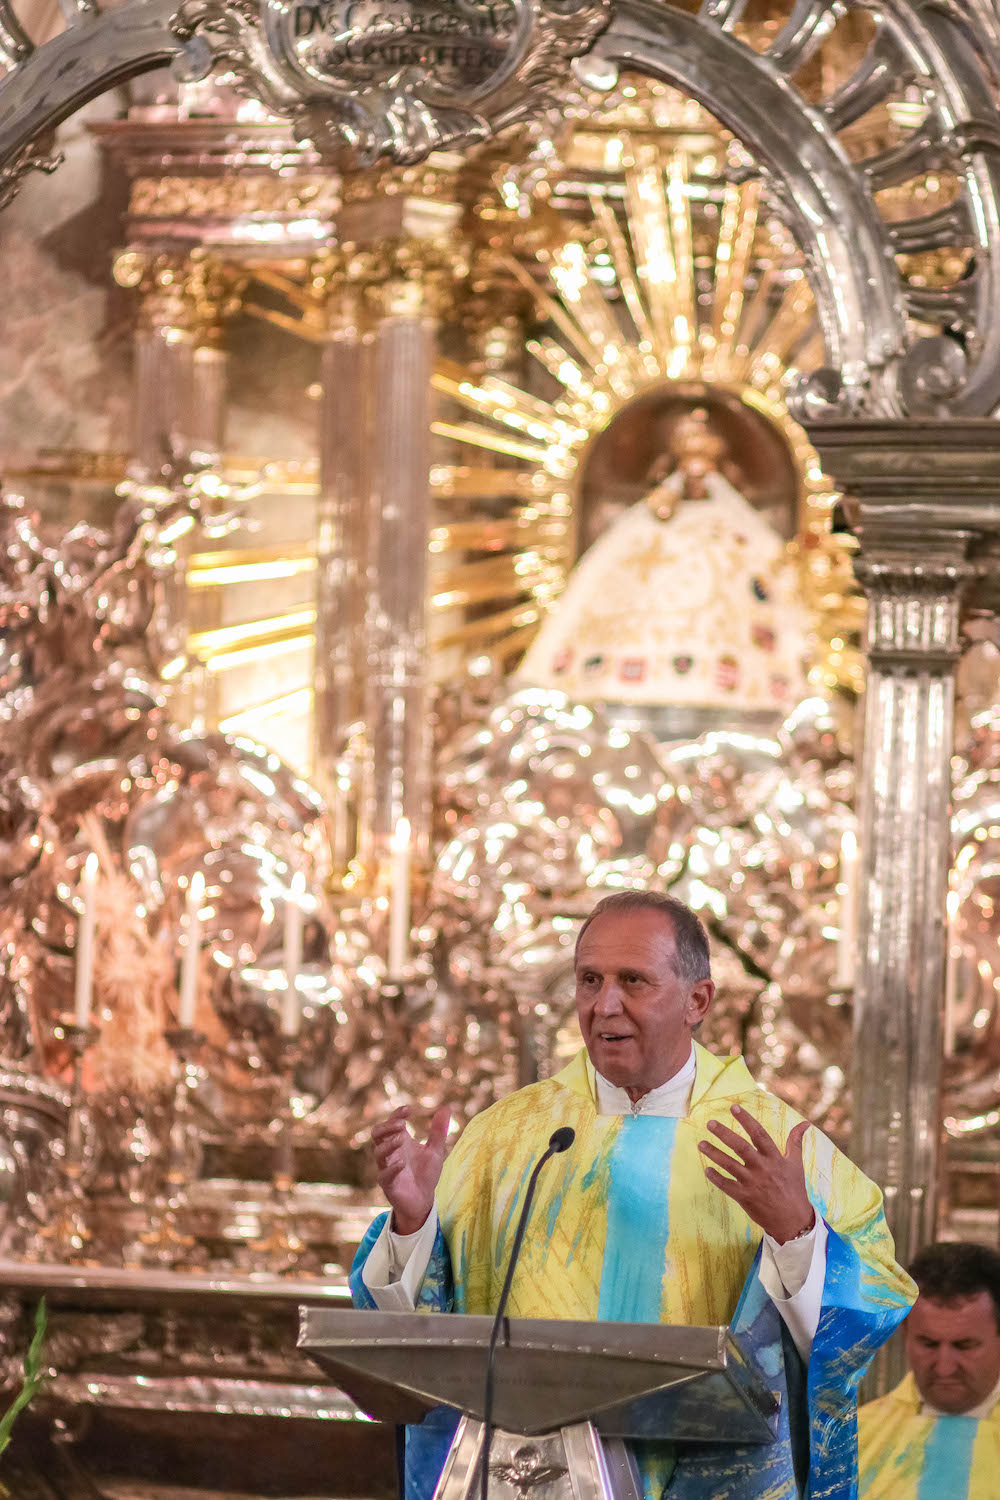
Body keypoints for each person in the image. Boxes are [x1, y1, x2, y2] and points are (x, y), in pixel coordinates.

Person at [351, 890, 915, 1500]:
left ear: (697, 1001)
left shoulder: (780, 1145)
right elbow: (426, 1339)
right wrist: (414, 1226)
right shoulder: (507, 1137)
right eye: (589, 980)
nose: (604, 1005)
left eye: (633, 981)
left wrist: (798, 1235)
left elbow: (869, 1313)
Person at [858, 1242, 1000, 1497]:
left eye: (965, 1345)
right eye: (929, 1344)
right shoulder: (855, 1437)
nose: (944, 1368)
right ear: (906, 1334)